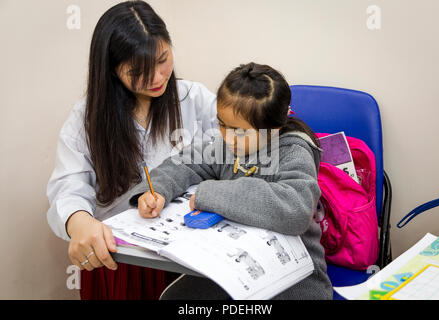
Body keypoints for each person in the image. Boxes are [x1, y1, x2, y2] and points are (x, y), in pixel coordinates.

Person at [46, 0, 218, 299]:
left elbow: (237, 148)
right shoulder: (87, 117)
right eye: (138, 70)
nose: (156, 77)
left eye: (163, 59)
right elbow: (69, 185)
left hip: (188, 257)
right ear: (112, 70)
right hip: (120, 260)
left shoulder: (195, 100)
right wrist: (79, 221)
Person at [131, 62, 334, 300]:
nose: (228, 137)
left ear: (274, 128)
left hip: (293, 283)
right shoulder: (230, 146)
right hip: (235, 271)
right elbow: (185, 162)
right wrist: (158, 190)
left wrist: (212, 194)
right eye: (222, 124)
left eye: (239, 130)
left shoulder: (293, 153)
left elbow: (295, 209)